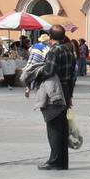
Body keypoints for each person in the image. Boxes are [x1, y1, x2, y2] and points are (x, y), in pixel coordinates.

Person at [36, 25, 76, 170]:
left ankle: (54, 161)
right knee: (62, 126)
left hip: (55, 89)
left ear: (50, 37)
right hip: (65, 88)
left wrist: (37, 72)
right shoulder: (68, 50)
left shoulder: (54, 51)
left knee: (53, 126)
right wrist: (70, 94)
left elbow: (49, 71)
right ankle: (62, 161)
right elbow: (73, 75)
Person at [24, 33, 50, 98]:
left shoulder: (35, 45)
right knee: (37, 77)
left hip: (30, 62)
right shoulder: (46, 48)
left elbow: (29, 50)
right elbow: (47, 56)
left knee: (28, 76)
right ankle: (38, 90)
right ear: (46, 41)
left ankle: (28, 88)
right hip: (38, 64)